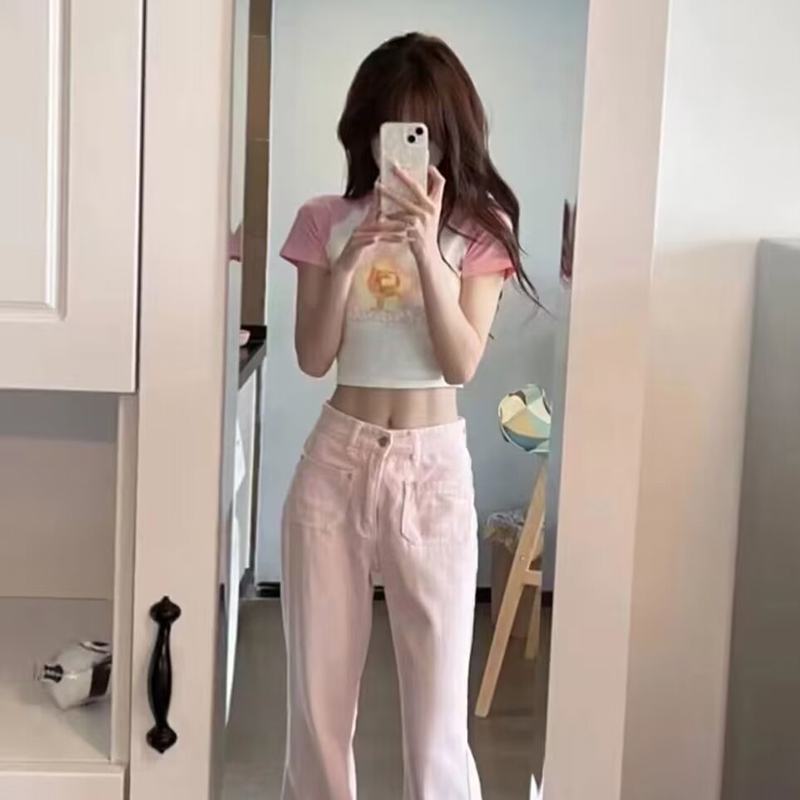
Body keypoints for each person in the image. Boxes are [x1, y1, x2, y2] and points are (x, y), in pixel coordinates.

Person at [278, 32, 536, 800]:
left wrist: (426, 250)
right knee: (318, 716)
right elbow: (313, 356)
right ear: (366, 131)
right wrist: (346, 262)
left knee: (437, 729)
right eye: (390, 131)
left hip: (432, 472)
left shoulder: (480, 230)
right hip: (335, 463)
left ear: (449, 136)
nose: (405, 155)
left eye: (421, 134)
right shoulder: (323, 219)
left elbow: (461, 362)